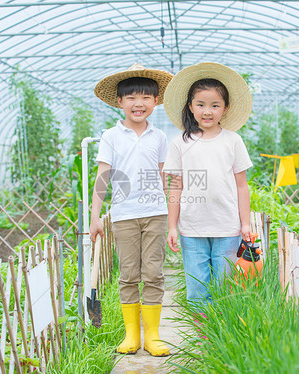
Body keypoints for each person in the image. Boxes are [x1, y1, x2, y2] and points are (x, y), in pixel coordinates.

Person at [90, 63, 173, 356]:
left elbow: (163, 178)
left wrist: (174, 217)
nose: (139, 104)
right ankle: (131, 336)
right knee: (128, 274)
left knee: (153, 273)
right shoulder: (111, 136)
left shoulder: (160, 137)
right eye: (132, 98)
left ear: (155, 102)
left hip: (156, 214)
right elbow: (103, 176)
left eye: (146, 98)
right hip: (124, 215)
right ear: (120, 102)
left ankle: (153, 336)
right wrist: (95, 216)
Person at [163, 62, 253, 307]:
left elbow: (242, 186)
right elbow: (175, 186)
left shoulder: (232, 141)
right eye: (200, 105)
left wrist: (245, 223)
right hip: (192, 227)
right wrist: (172, 226)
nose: (207, 111)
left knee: (225, 285)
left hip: (227, 226)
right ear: (190, 107)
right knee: (197, 286)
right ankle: (202, 336)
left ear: (225, 109)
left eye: (215, 105)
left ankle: (221, 336)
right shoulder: (180, 143)